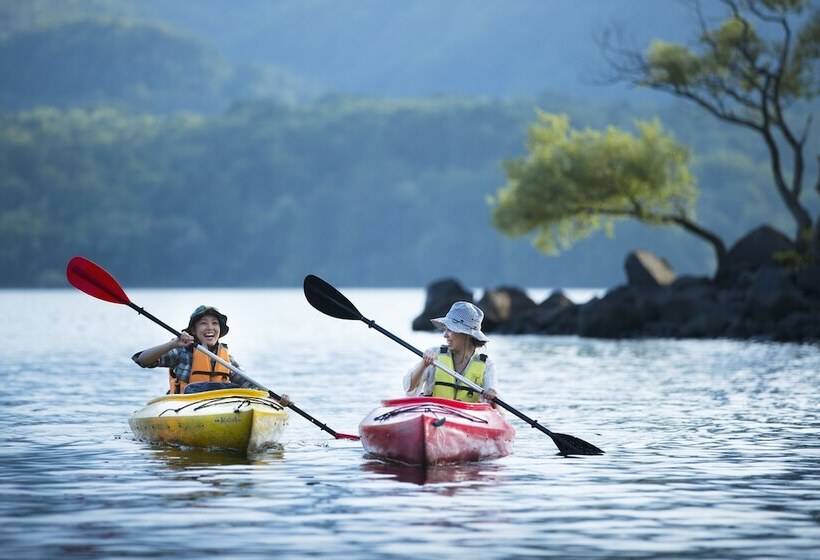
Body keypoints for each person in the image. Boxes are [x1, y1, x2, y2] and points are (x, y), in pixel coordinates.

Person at [132, 305, 290, 404]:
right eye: (203, 323)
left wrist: (275, 399)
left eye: (215, 323)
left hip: (217, 409)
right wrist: (173, 343)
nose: (210, 328)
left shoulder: (226, 359)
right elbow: (141, 360)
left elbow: (249, 385)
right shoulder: (181, 352)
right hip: (185, 408)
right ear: (193, 330)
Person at [404, 301, 498, 404]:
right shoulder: (434, 354)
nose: (445, 335)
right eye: (445, 329)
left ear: (465, 334)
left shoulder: (487, 365)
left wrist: (491, 394)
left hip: (469, 416)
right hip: (434, 411)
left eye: (450, 330)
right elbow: (409, 389)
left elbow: (493, 396)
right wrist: (424, 364)